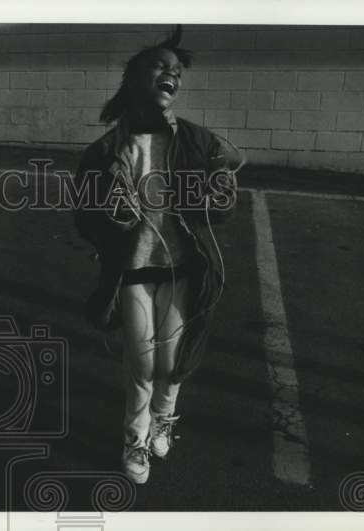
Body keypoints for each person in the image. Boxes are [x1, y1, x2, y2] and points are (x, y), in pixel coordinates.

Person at [72, 26, 243, 484]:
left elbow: (223, 207)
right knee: (142, 361)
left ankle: (164, 419)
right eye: (160, 65)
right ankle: (135, 437)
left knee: (172, 360)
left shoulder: (196, 141)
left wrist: (223, 195)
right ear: (134, 78)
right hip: (132, 269)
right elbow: (84, 220)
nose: (172, 75)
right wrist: (112, 216)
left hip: (183, 267)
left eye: (177, 71)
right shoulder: (106, 151)